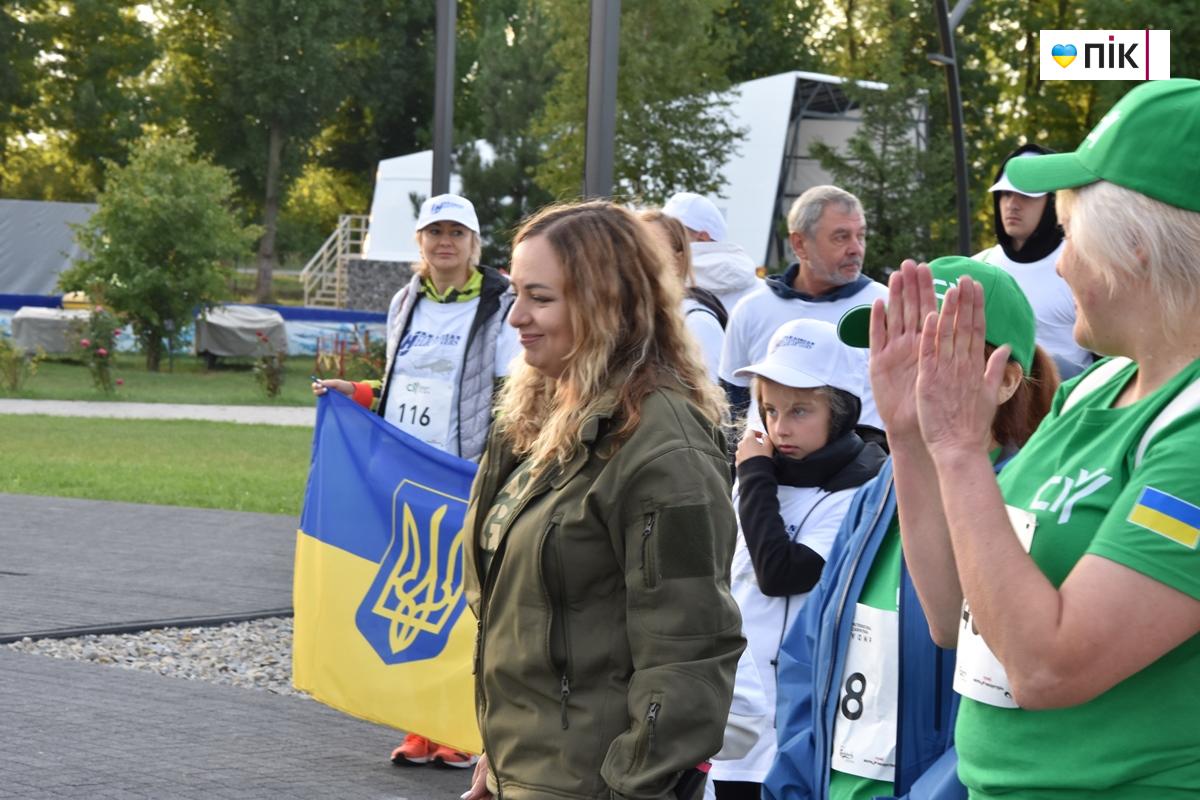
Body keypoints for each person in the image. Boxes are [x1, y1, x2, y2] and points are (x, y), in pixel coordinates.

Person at [898, 79, 1200, 798]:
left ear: (1135, 252)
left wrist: (962, 451)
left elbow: (1047, 666)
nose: (1058, 266)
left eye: (1072, 239)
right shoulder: (1096, 389)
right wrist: (913, 439)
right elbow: (953, 616)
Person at [460, 201, 744, 800]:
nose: (515, 317)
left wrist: (629, 788)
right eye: (516, 293)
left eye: (540, 297)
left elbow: (690, 655)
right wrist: (503, 756)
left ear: (604, 302)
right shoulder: (535, 416)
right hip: (528, 772)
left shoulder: (664, 448)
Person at [762, 256, 1059, 800]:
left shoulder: (1025, 508)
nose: (910, 368)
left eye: (935, 348)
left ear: (1006, 379)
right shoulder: (877, 495)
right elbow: (812, 659)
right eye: (899, 343)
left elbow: (995, 713)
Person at [312, 192, 518, 769]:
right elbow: (398, 382)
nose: (444, 242)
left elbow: (510, 395)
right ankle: (419, 727)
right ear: (420, 243)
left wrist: (495, 465)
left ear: (475, 244)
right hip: (403, 471)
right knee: (411, 595)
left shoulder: (499, 304)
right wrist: (355, 397)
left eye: (456, 232)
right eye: (434, 232)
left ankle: (457, 727)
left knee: (463, 603)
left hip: (463, 472)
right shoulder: (405, 300)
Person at [709, 318, 886, 800]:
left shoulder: (860, 488)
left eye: (800, 411)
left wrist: (755, 477)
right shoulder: (757, 473)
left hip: (807, 727)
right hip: (737, 721)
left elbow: (782, 572)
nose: (780, 427)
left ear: (843, 410)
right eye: (769, 409)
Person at [719, 185, 887, 435]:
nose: (856, 248)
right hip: (763, 472)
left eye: (860, 235)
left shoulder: (886, 306)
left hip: (865, 472)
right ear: (799, 244)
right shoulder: (752, 308)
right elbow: (733, 403)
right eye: (841, 237)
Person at [975, 144, 1092, 378]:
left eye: (1026, 194)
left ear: (1052, 201)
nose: (1012, 204)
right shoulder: (980, 266)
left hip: (1067, 407)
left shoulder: (1084, 265)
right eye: (1006, 193)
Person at [641, 208, 726, 381]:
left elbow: (710, 400)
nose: (639, 259)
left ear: (678, 261)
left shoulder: (697, 322)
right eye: (632, 248)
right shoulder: (633, 318)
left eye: (652, 251)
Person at [662, 191, 762, 314]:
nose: (662, 237)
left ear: (703, 237)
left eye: (672, 231)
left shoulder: (664, 284)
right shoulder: (762, 290)